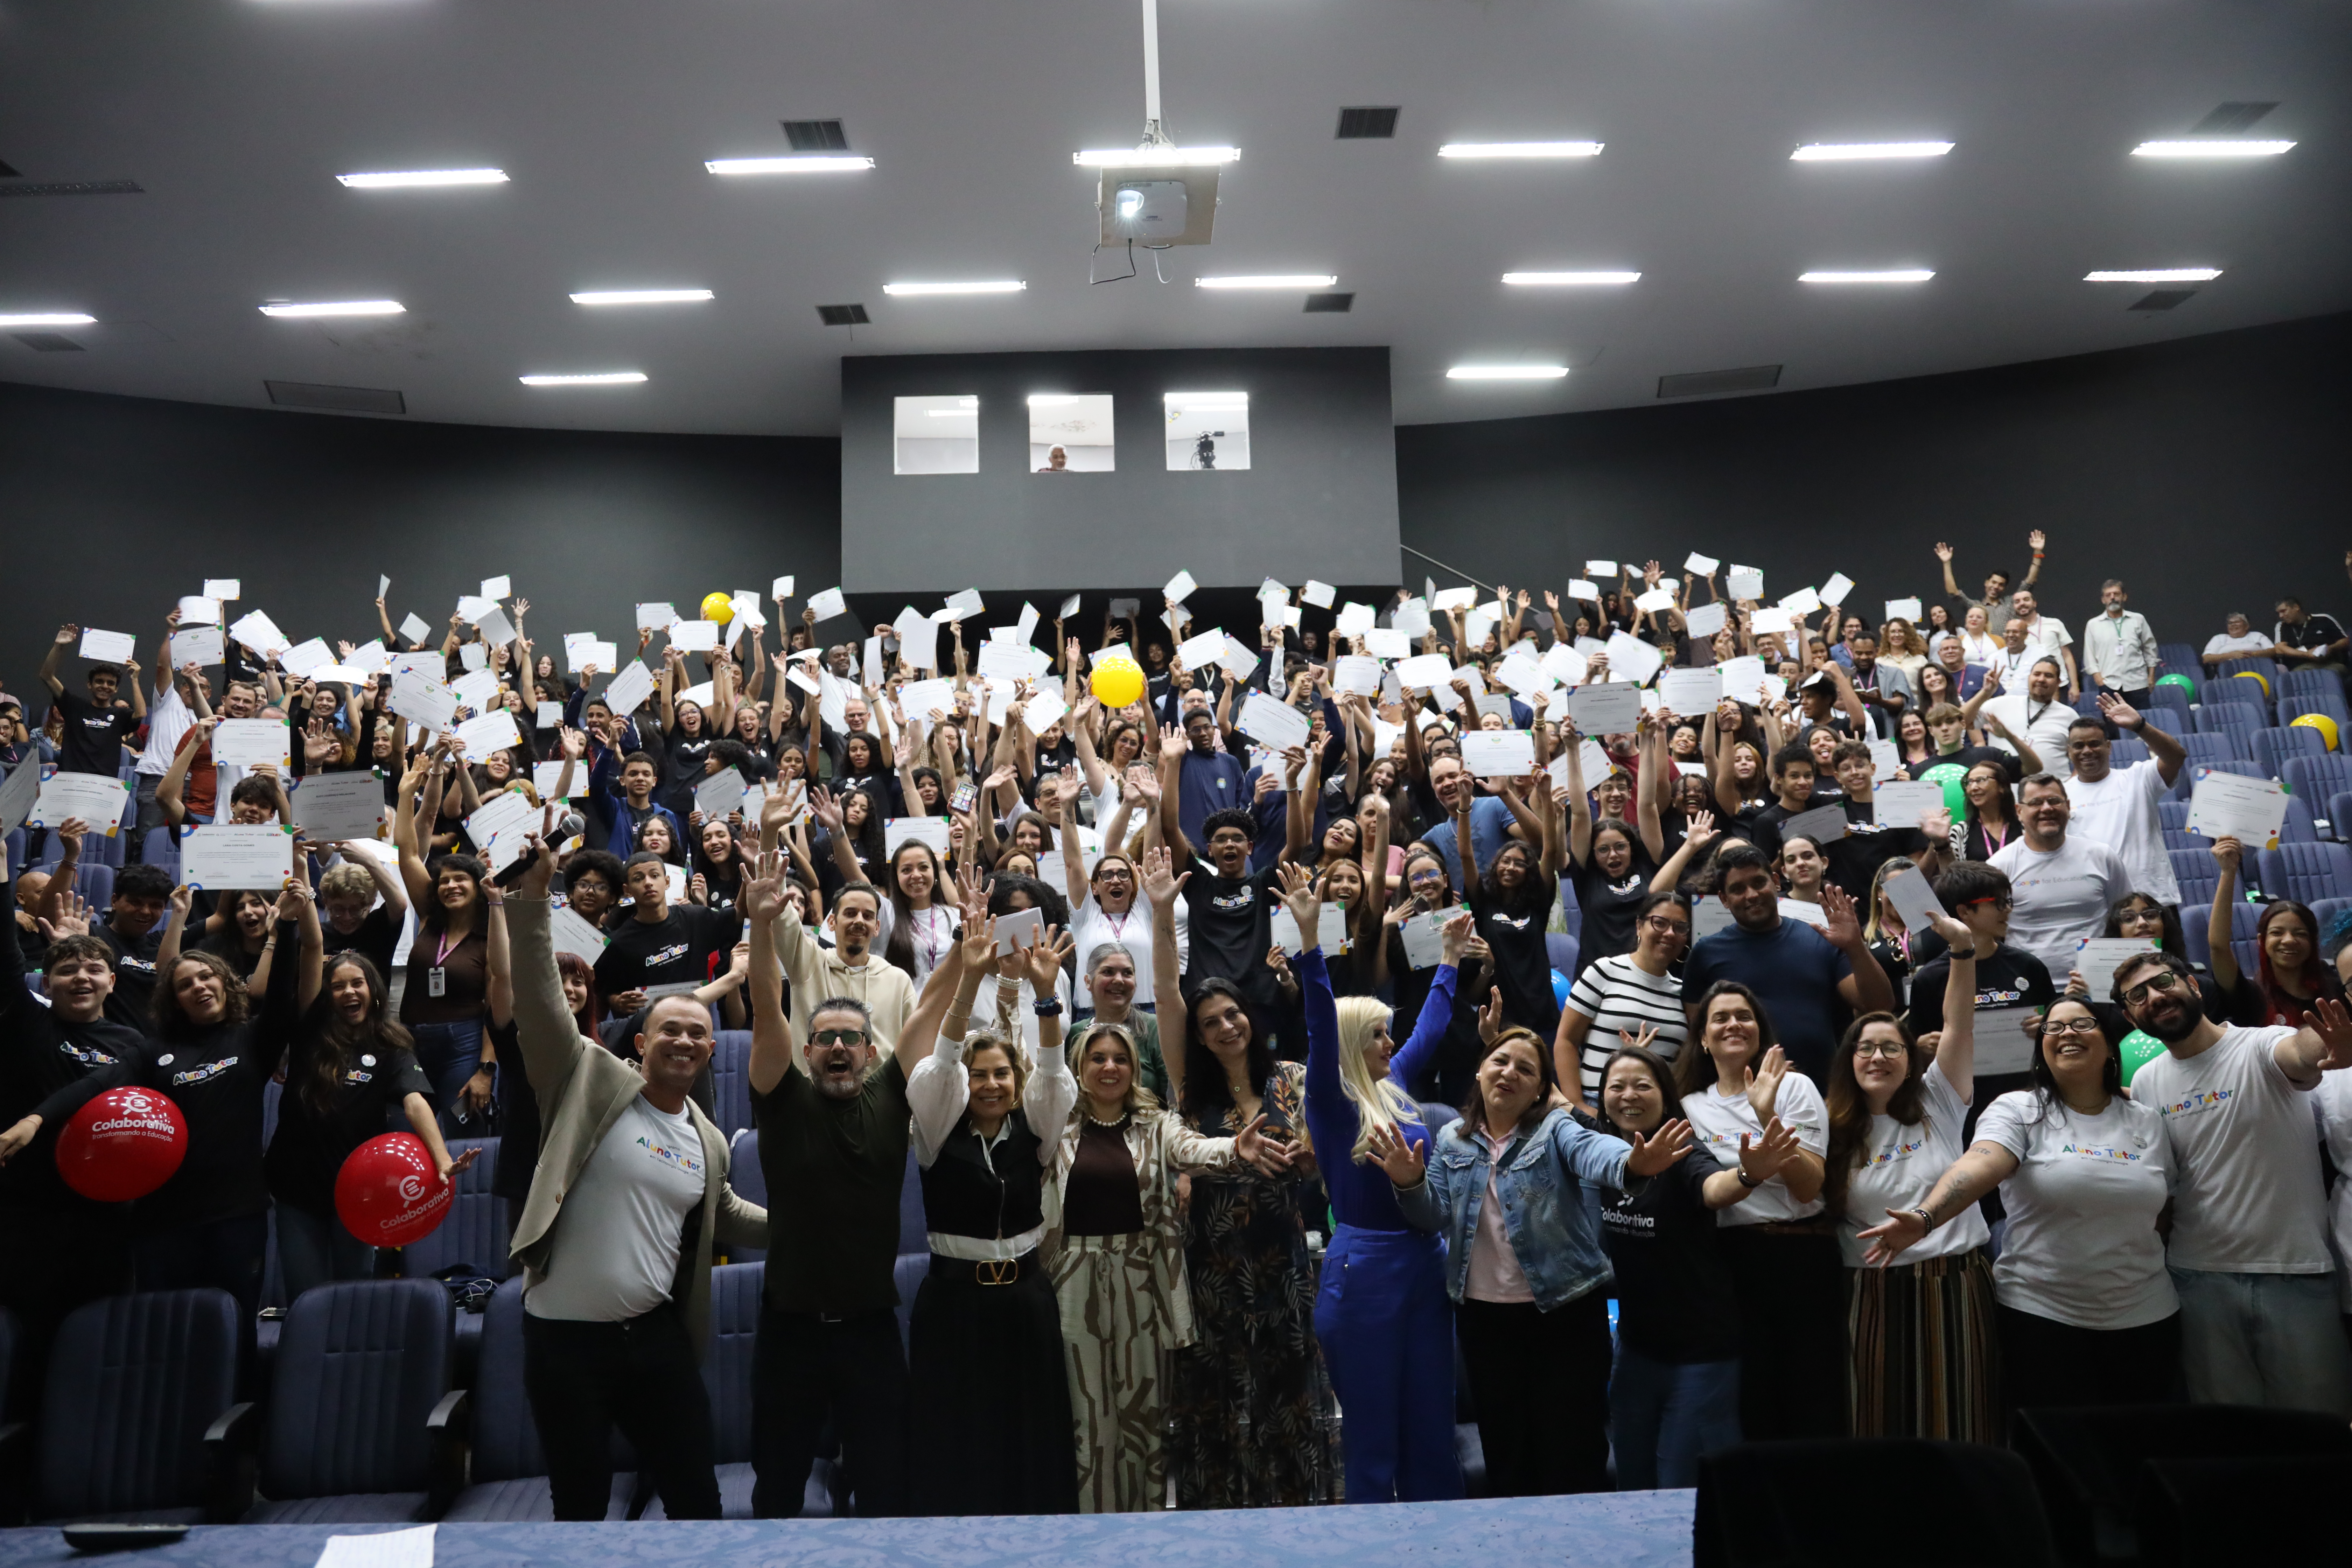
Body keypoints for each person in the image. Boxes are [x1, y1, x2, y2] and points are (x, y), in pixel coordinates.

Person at [503, 835, 769, 1522]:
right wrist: (534, 897)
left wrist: (805, 1226)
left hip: (655, 1341)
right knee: (581, 1505)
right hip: (564, 1342)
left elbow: (728, 1212)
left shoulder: (708, 1138)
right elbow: (537, 999)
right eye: (670, 1029)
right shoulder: (585, 1076)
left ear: (713, 1050)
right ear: (643, 1041)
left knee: (696, 1498)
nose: (684, 1040)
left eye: (697, 1033)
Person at [1366, 1026, 1688, 1496]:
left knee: (1573, 1453)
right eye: (1500, 1062)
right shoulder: (1452, 1139)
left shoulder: (1556, 1128)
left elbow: (1596, 1153)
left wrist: (1633, 1164)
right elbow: (1432, 1216)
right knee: (1507, 1454)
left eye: (1526, 1069)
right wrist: (1410, 1182)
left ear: (1540, 1088)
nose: (1510, 1073)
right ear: (1480, 1071)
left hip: (1566, 1315)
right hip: (1485, 1321)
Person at [1860, 997, 2182, 1435]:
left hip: (2146, 1316)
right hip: (2043, 1317)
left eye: (2082, 1024)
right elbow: (1984, 1162)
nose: (2066, 1033)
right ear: (2042, 1049)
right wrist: (1926, 1216)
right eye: (2054, 1028)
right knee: (2057, 1458)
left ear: (2110, 1047)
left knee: (2140, 1449)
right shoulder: (2019, 1109)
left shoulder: (2146, 1119)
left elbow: (2163, 1211)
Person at [1148, 856, 1333, 1508]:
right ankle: (1215, 1530)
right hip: (1213, 1268)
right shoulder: (1189, 1088)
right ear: (1198, 1038)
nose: (1226, 1026)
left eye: (1232, 1015)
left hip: (1282, 1258)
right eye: (1212, 1022)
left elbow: (1324, 1148)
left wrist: (1313, 1160)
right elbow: (1169, 995)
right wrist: (1164, 916)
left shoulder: (1291, 1078)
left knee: (1287, 1402)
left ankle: (1295, 1525)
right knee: (1215, 1409)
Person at [1046, 1015, 1280, 1512]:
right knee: (1087, 1417)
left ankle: (1144, 1536)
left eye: (1121, 1059)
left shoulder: (1156, 1123)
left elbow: (1192, 1148)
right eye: (1098, 1058)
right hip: (1073, 1280)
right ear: (1079, 1066)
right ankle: (1093, 1534)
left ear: (1135, 1069)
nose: (1110, 1068)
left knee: (1144, 1419)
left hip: (1143, 1279)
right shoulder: (1056, 1124)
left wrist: (1233, 1148)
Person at [2113, 950, 2352, 1414]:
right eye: (2138, 996)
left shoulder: (2263, 1046)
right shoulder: (2145, 1081)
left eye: (2163, 982)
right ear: (2129, 1016)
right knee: (2232, 1436)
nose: (2155, 998)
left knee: (2320, 1436)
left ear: (2195, 986)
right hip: (2198, 1281)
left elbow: (2301, 1052)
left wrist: (2326, 1047)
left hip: (2296, 1274)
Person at [1295, 893, 1475, 1504]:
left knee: (1431, 1426)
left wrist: (1449, 960)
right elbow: (1320, 1022)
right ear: (1351, 1043)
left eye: (1386, 1033)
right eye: (1374, 1035)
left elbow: (1431, 1025)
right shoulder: (1330, 1098)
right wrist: (1309, 945)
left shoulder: (1394, 1082)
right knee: (1373, 1439)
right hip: (1365, 1267)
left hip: (1425, 1261)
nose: (1387, 1044)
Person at [903, 903, 1082, 1516]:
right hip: (954, 1304)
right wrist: (969, 982)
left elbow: (1055, 1077)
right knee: (956, 1440)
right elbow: (937, 1068)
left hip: (1026, 1300)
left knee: (1031, 1441)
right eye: (981, 1076)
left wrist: (1046, 995)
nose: (991, 1085)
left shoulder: (1036, 1128)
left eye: (1002, 1074)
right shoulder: (934, 1129)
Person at [1594, 1044, 1800, 1490]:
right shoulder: (1601, 1148)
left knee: (1680, 1486)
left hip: (1701, 1353)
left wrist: (1748, 1175)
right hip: (1635, 1352)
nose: (1629, 1095)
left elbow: (1714, 1189)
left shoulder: (1683, 1149)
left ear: (1666, 1097)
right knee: (1631, 1478)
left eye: (1643, 1085)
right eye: (1618, 1086)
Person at [1825, 905, 1994, 1441]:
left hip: (1954, 1286)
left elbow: (1959, 1023)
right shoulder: (1828, 1130)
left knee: (1962, 1423)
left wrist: (1963, 952)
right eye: (1866, 1048)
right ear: (1849, 1061)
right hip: (1869, 1294)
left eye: (1891, 1047)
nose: (1878, 1056)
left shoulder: (1939, 1101)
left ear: (1909, 1057)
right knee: (1876, 1424)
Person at [0, 873, 148, 1416]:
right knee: (29, 1352)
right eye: (67, 970)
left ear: (112, 980)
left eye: (92, 970)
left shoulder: (133, 1045)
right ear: (48, 979)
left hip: (104, 1223)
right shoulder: (26, 1026)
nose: (81, 978)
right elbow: (5, 966)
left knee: (102, 1346)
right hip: (27, 1218)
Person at [1674, 980, 1841, 1441]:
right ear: (1703, 1040)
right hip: (1731, 1264)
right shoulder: (1689, 1108)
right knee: (1752, 1402)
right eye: (1720, 1018)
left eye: (1744, 1016)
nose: (1733, 1024)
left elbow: (1809, 1189)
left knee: (1814, 1400)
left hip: (1802, 1255)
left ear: (1760, 1031)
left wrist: (1766, 1114)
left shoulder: (1795, 1088)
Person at [1680, 844, 1893, 1086]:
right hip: (1741, 1098)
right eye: (1738, 889)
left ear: (1776, 882)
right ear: (1724, 899)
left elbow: (1879, 1005)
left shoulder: (1819, 938)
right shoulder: (1706, 953)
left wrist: (1855, 947)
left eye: (1759, 883)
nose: (1751, 895)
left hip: (1822, 1092)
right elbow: (1701, 1038)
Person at [1906, 862, 2056, 1093]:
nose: (2007, 910)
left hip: (2027, 1092)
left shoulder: (2028, 967)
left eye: (2008, 901)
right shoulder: (1930, 979)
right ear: (1964, 911)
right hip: (1960, 1098)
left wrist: (2049, 1027)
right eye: (1997, 902)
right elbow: (1914, 1047)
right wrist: (1920, 1047)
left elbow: (2055, 1026)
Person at [1989, 775, 2133, 985]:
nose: (2047, 809)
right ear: (2019, 811)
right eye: (2036, 803)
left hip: (2100, 986)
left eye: (2054, 801)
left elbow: (2126, 917)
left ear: (2067, 806)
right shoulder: (1999, 866)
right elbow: (1990, 934)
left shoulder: (2102, 856)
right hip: (2030, 988)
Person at [1556, 891, 1691, 1110]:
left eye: (1680, 927)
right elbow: (1566, 1040)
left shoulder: (1683, 992)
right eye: (1660, 923)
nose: (1670, 933)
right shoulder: (1604, 971)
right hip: (1597, 1105)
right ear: (1639, 926)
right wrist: (1576, 1105)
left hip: (1657, 1111)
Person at [2060, 697, 2184, 906]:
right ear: (2069, 751)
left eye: (2094, 744)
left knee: (2162, 942)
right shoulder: (2059, 796)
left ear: (2109, 747)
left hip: (2152, 900)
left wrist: (2140, 726)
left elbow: (2176, 757)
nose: (2087, 751)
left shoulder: (2138, 778)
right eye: (2079, 746)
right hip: (2097, 905)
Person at [37, 622, 144, 777]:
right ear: (90, 685)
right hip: (70, 781)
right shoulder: (74, 707)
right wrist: (58, 647)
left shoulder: (120, 715)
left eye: (111, 683)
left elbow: (140, 713)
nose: (105, 686)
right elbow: (47, 676)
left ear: (116, 689)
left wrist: (135, 680)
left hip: (103, 785)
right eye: (99, 681)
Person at [1969, 657, 2078, 780]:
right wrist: (1985, 692)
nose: (2041, 679)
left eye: (2048, 676)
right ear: (2029, 678)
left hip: (2054, 792)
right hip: (2007, 794)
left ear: (2059, 682)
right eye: (2037, 674)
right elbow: (1963, 722)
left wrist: (2072, 784)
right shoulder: (1999, 705)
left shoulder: (2069, 715)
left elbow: (2082, 755)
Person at [2080, 580, 2161, 708]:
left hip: (2138, 684)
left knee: (2142, 724)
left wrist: (2151, 677)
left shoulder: (2138, 619)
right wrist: (2099, 680)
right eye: (2108, 595)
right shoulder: (2093, 624)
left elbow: (2150, 648)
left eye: (2116, 594)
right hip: (2109, 685)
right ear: (2103, 600)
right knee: (2113, 727)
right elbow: (2089, 656)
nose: (2113, 598)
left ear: (2124, 597)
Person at [2272, 596, 2348, 674]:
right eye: (2279, 613)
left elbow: (2345, 641)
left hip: (2330, 664)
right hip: (2302, 667)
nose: (2281, 616)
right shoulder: (2282, 626)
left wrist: (2330, 649)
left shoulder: (2324, 619)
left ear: (2296, 607)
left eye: (2284, 611)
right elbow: (2280, 649)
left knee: (2335, 674)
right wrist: (2307, 654)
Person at [2201, 612, 2274, 675]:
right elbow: (2207, 658)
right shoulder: (2219, 638)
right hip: (2229, 671)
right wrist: (2232, 655)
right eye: (2230, 623)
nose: (2233, 625)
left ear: (2247, 626)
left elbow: (2273, 651)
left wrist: (2251, 655)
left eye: (2237, 622)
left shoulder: (2257, 636)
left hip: (2259, 669)